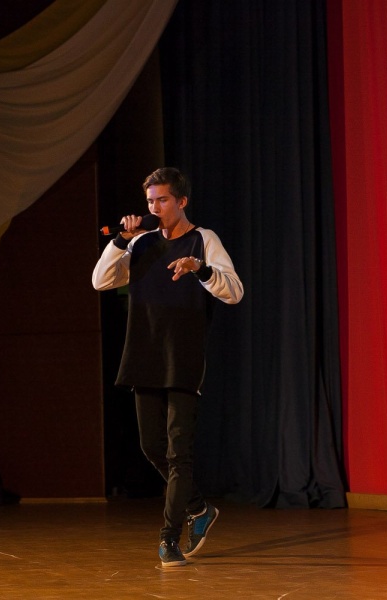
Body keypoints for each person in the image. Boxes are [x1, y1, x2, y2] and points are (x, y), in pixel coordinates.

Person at [92, 167, 244, 567]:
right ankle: (199, 508)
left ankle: (168, 538)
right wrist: (120, 240)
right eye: (150, 201)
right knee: (151, 446)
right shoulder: (140, 242)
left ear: (181, 201)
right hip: (144, 353)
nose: (155, 207)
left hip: (183, 357)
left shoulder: (203, 239)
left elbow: (234, 292)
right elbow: (100, 281)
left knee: (179, 453)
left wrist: (201, 269)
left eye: (162, 200)